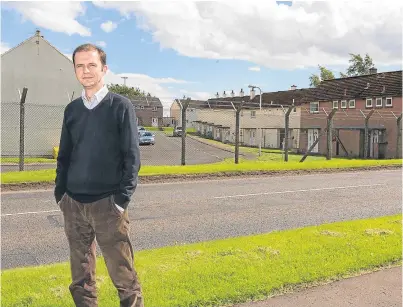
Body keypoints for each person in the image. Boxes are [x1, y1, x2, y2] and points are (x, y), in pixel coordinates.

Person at [54, 43, 143, 307]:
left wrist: (121, 200)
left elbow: (132, 156)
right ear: (74, 70)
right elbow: (64, 156)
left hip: (108, 205)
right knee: (80, 278)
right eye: (80, 66)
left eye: (92, 65)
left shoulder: (121, 106)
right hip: (73, 205)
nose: (86, 71)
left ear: (104, 69)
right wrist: (61, 194)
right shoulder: (71, 110)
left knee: (124, 275)